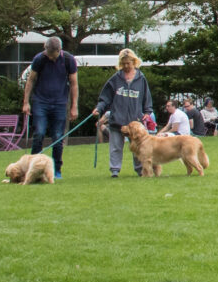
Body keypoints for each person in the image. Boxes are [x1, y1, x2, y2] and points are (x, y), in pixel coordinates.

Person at [91, 48, 156, 179]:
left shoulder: (141, 78)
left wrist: (148, 111)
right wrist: (99, 108)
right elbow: (105, 97)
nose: (126, 66)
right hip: (117, 119)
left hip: (135, 120)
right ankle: (115, 170)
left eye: (129, 63)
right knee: (115, 146)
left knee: (139, 146)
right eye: (124, 63)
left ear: (134, 62)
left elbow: (146, 97)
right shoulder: (115, 79)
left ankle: (140, 170)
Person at [22, 36, 80, 178]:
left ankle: (56, 169)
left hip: (60, 103)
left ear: (59, 51)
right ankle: (33, 168)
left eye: (52, 54)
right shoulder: (39, 59)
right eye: (48, 53)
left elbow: (74, 83)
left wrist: (74, 106)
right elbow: (30, 81)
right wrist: (26, 102)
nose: (50, 56)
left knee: (58, 137)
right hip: (41, 102)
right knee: (39, 134)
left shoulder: (68, 60)